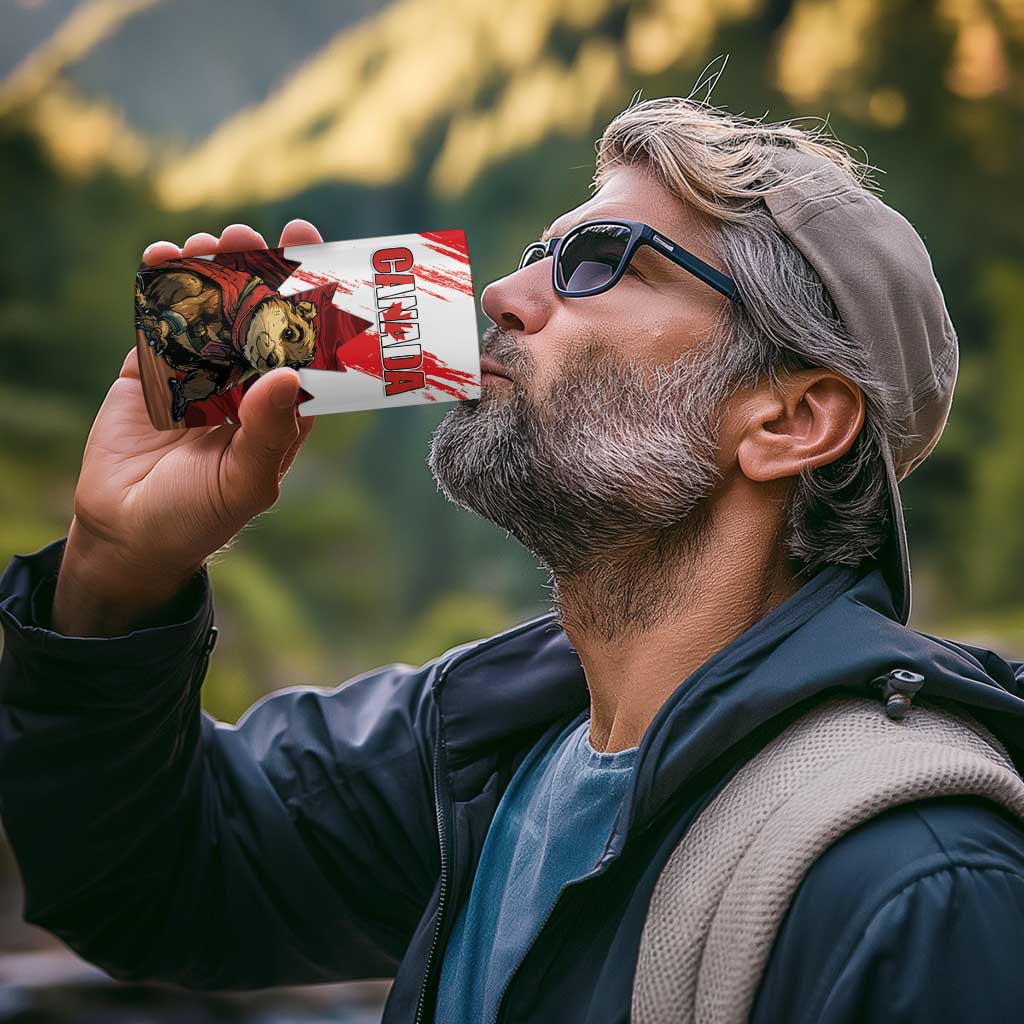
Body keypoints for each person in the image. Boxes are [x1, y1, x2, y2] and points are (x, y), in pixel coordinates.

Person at [2, 95, 1024, 1024]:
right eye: (541, 251)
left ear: (791, 419)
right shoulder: (480, 748)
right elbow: (148, 880)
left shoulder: (918, 884)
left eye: (600, 261)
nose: (501, 291)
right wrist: (116, 570)